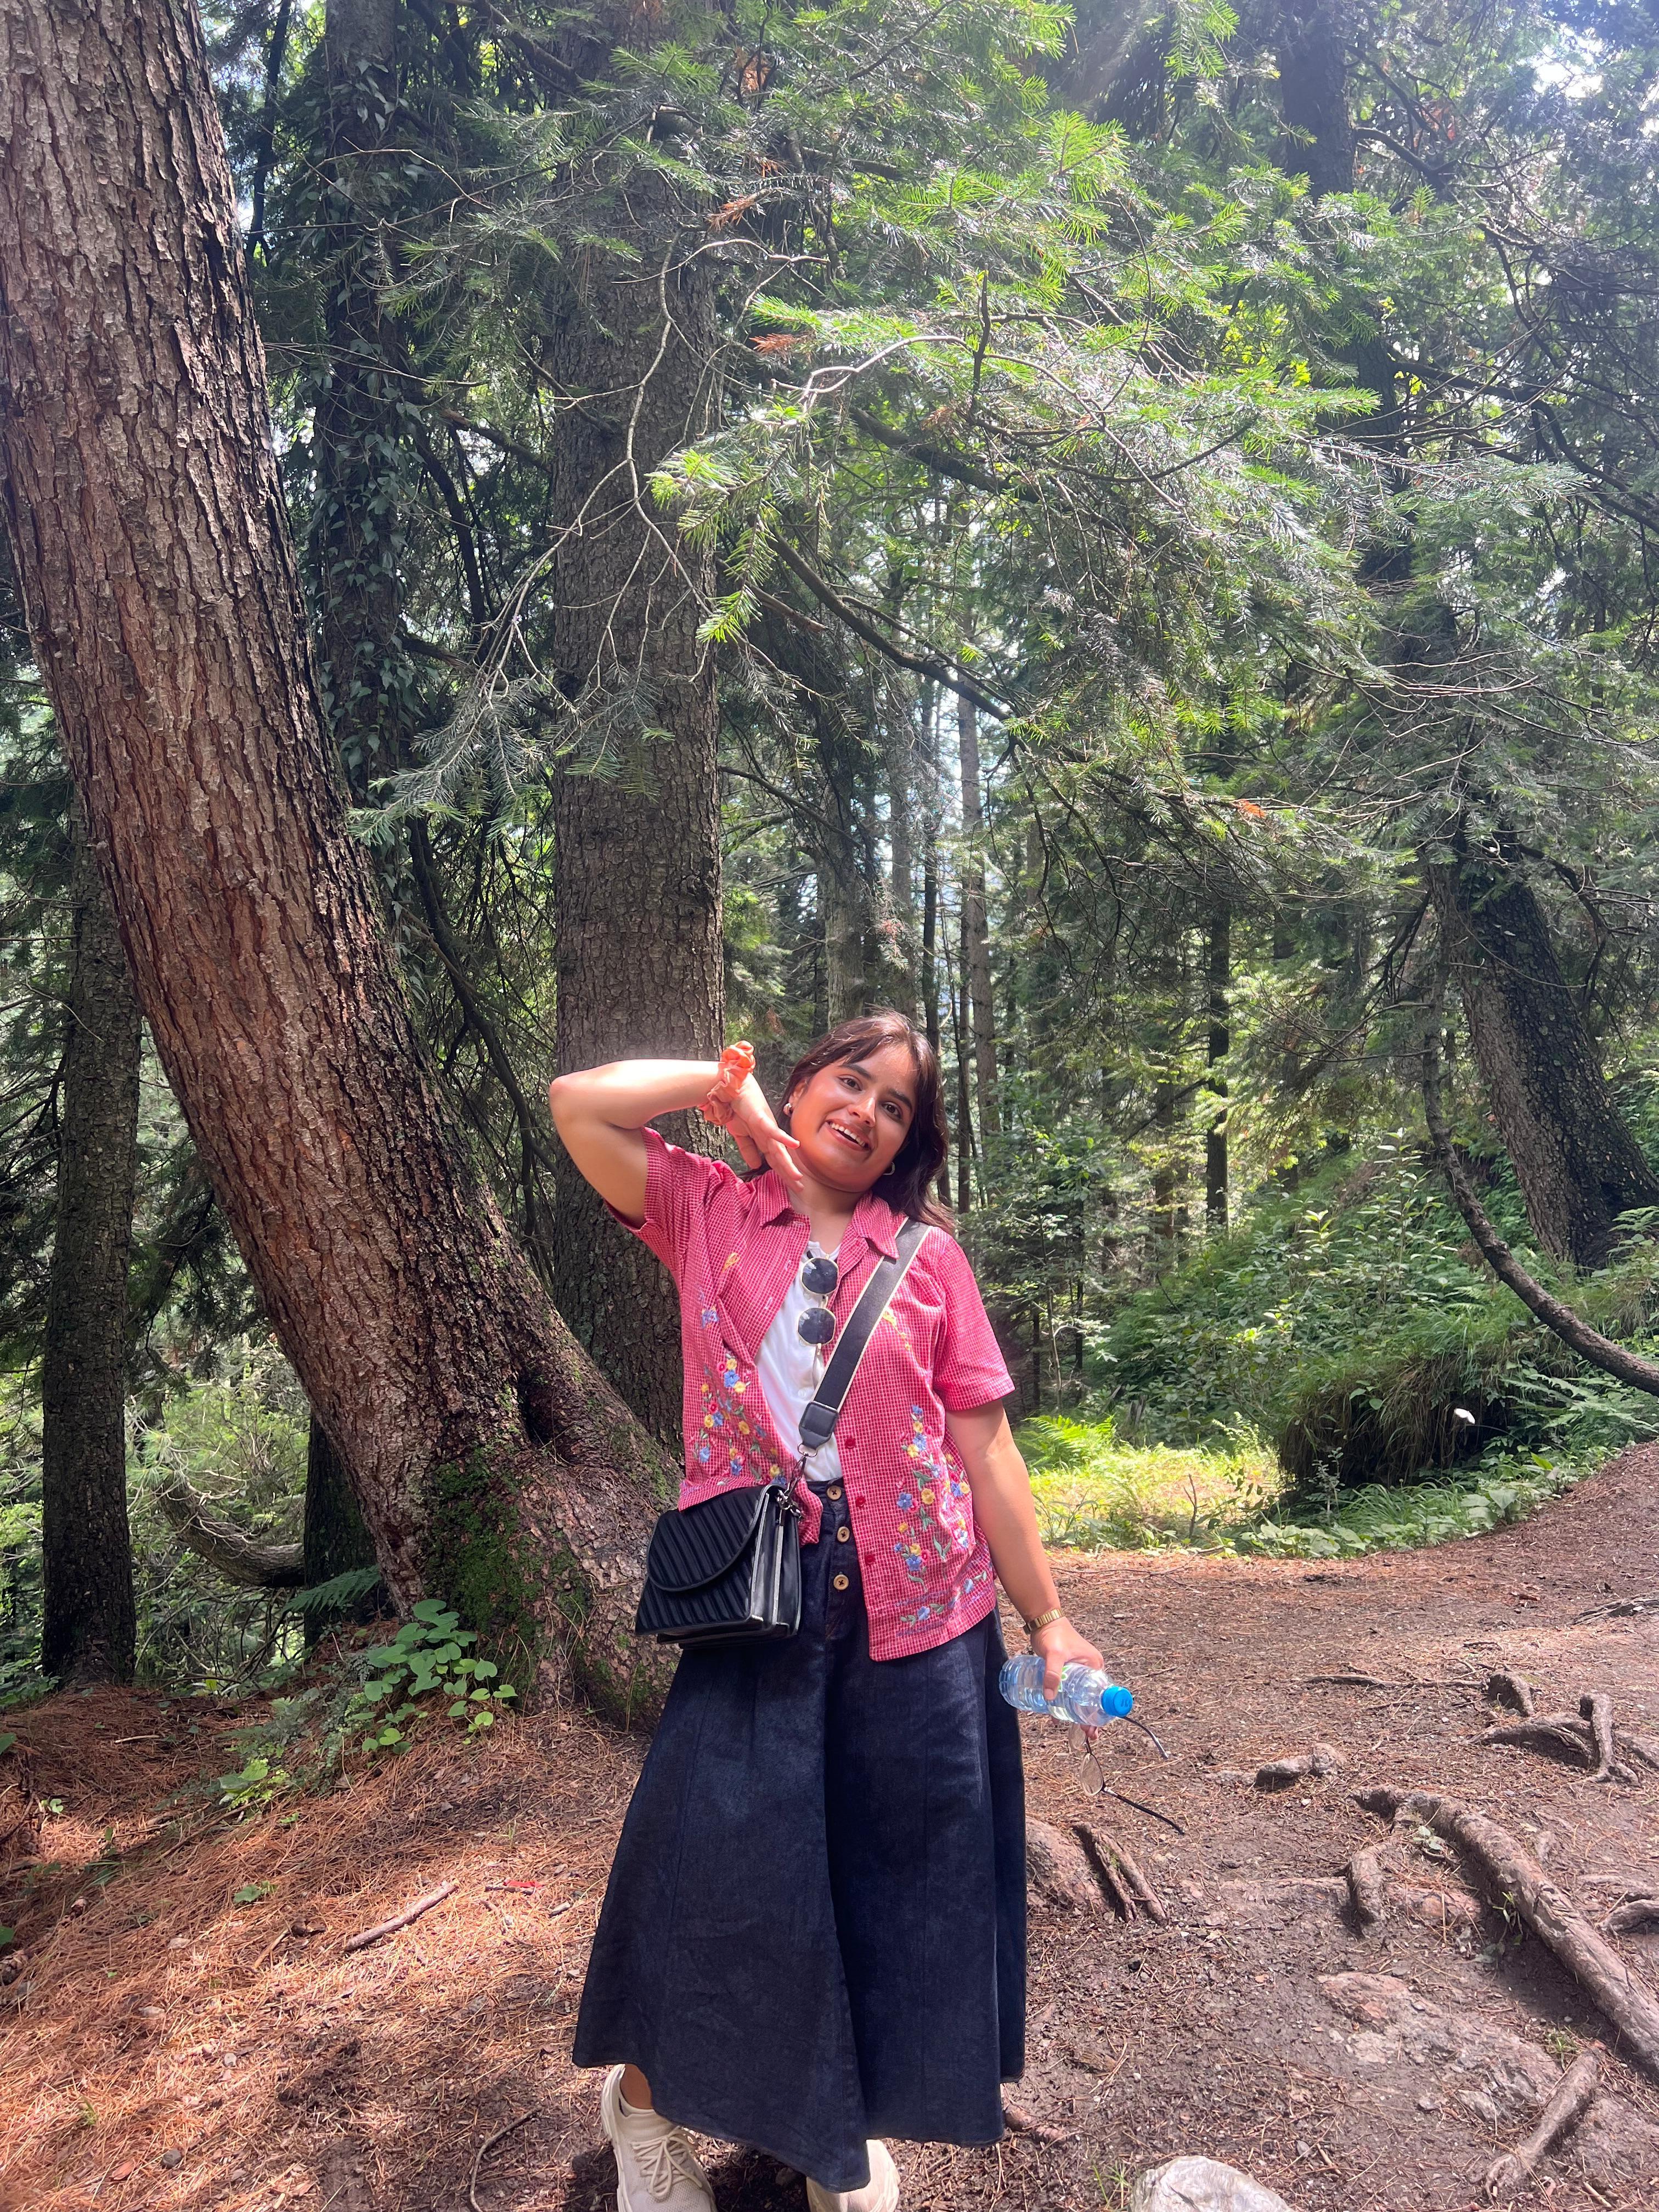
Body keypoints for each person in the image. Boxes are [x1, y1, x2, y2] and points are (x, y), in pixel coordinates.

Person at [548, 1012, 1103, 2212]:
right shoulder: (706, 1209)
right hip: (762, 1610)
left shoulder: (931, 1260)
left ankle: (831, 2141)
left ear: (911, 1142)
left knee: (888, 1890)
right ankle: (641, 2112)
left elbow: (988, 1450)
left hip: (925, 1614)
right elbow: (579, 1103)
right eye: (852, 1081)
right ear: (803, 1086)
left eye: (897, 1106)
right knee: (717, 1882)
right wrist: (730, 1095)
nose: (868, 1111)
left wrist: (1048, 1619)